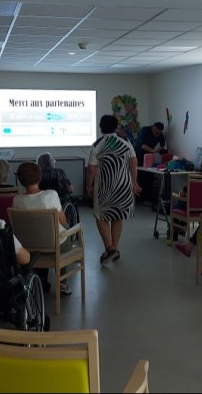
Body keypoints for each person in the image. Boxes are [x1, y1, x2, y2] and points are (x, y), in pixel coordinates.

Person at [86, 114, 141, 265]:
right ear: (116, 127)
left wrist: (89, 186)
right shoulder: (125, 142)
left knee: (101, 217)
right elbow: (133, 163)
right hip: (123, 186)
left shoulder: (97, 144)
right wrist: (134, 182)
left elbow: (91, 169)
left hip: (104, 187)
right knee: (117, 216)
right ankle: (115, 249)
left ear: (100, 127)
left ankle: (110, 249)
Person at [13, 162, 74, 295]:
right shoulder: (50, 195)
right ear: (39, 177)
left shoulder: (17, 200)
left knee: (39, 237)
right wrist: (68, 228)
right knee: (65, 237)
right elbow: (63, 220)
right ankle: (62, 284)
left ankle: (40, 280)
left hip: (29, 246)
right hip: (53, 244)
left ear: (20, 180)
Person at [135, 122, 167, 203]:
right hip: (139, 155)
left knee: (150, 175)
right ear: (153, 127)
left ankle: (148, 198)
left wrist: (163, 150)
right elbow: (143, 146)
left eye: (159, 133)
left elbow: (163, 145)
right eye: (156, 132)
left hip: (149, 156)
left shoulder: (159, 133)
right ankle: (139, 199)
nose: (157, 135)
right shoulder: (144, 131)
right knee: (141, 176)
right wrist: (154, 150)